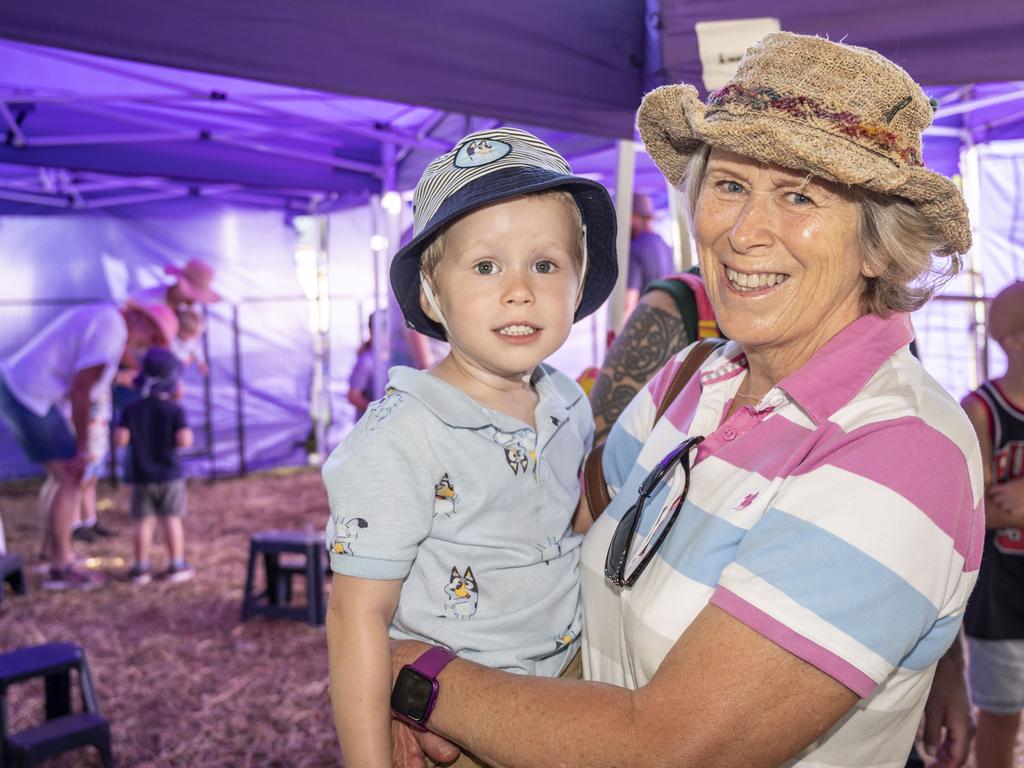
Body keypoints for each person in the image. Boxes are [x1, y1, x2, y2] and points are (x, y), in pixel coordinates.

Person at [386, 32, 985, 768]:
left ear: (877, 247)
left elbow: (670, 749)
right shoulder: (691, 378)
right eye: (729, 184)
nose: (743, 232)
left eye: (799, 196)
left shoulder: (901, 450)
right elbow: (570, 560)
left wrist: (414, 678)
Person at [322, 127, 617, 768]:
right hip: (460, 718)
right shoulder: (403, 434)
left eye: (546, 264)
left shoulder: (568, 401)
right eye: (486, 266)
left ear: (579, 280)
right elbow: (355, 618)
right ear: (432, 294)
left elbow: (563, 529)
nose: (520, 289)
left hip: (571, 683)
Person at [0, 301, 178, 589]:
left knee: (61, 476)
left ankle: (51, 555)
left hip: (22, 390)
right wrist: (83, 446)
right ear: (141, 322)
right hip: (29, 396)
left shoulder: (106, 320)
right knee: (71, 474)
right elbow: (81, 389)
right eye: (153, 338)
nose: (147, 346)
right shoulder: (112, 328)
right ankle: (61, 567)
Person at [961, 280, 1024, 768]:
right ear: (1014, 341)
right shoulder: (980, 409)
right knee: (1000, 719)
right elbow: (977, 511)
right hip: (1001, 601)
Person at [115, 347, 194, 586]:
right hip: (170, 476)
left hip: (142, 476)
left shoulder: (132, 409)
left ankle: (141, 568)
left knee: (143, 522)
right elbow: (184, 441)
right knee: (171, 519)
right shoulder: (174, 410)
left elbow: (120, 440)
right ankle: (176, 564)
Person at [622, 193, 674, 317]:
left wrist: (618, 335)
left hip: (645, 327)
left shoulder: (635, 248)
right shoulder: (666, 247)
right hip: (667, 324)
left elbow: (627, 305)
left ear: (633, 217)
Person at [347, 312, 383, 420]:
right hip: (369, 425)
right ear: (372, 332)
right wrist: (379, 412)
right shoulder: (366, 361)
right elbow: (352, 396)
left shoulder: (388, 359)